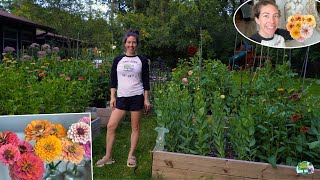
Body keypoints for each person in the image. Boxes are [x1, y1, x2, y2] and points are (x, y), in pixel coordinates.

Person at [95, 29, 150, 168]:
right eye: (129, 42)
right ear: (125, 43)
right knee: (111, 125)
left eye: (134, 42)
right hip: (122, 98)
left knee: (135, 127)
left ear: (137, 44)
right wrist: (112, 97)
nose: (131, 44)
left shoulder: (142, 60)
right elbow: (113, 80)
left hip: (137, 97)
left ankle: (131, 155)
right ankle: (108, 156)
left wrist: (146, 99)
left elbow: (146, 81)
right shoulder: (118, 59)